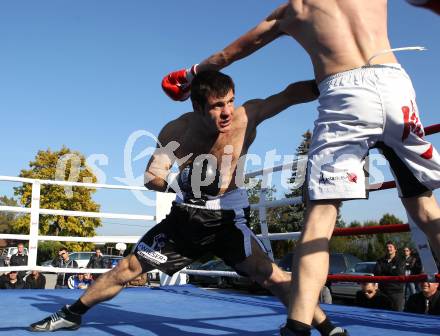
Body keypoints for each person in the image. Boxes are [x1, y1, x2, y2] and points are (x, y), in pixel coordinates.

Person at [161, 2, 440, 334]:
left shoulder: (295, 9)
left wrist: (191, 75)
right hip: (396, 86)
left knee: (321, 214)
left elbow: (226, 56)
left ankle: (298, 326)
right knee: (423, 206)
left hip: (345, 93)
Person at [29, 71, 343, 336]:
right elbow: (152, 174)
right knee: (129, 267)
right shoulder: (178, 130)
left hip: (228, 219)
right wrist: (182, 184)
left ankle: (328, 329)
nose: (226, 112)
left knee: (272, 276)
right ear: (197, 106)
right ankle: (72, 313)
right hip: (184, 222)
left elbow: (288, 95)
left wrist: (333, 79)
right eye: (217, 105)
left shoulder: (246, 117)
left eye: (230, 101)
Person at [374, 241, 406, 311]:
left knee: (397, 314)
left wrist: (385, 271)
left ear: (395, 249)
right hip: (383, 292)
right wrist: (391, 270)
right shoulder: (380, 260)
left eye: (390, 247)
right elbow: (377, 273)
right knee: (381, 314)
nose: (388, 249)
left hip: (396, 292)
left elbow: (399, 273)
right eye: (387, 247)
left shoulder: (401, 260)